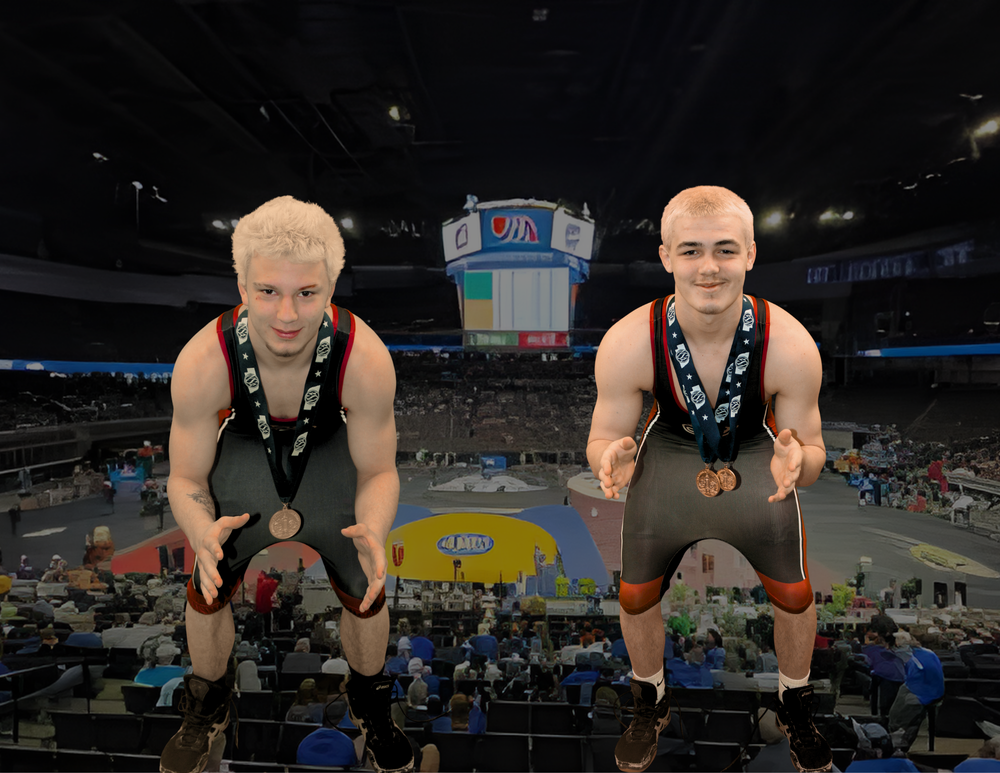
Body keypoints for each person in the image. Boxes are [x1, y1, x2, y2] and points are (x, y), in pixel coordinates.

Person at [161, 196, 411, 773]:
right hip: (244, 459)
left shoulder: (365, 357)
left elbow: (378, 470)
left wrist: (374, 528)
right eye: (268, 291)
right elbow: (186, 477)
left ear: (331, 288)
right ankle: (207, 702)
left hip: (327, 459)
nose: (288, 314)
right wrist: (199, 531)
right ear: (242, 286)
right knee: (207, 577)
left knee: (366, 582)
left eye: (307, 293)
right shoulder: (203, 359)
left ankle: (371, 705)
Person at [587, 186, 831, 773]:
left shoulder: (790, 344)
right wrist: (608, 455)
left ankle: (794, 702)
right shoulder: (628, 340)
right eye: (691, 251)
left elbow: (814, 453)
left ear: (751, 254)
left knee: (795, 596)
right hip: (670, 458)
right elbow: (603, 436)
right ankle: (650, 700)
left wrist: (800, 463)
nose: (709, 268)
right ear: (666, 256)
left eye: (725, 250)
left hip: (757, 460)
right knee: (634, 595)